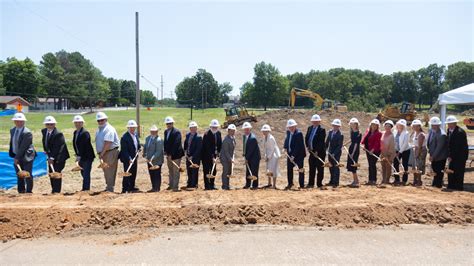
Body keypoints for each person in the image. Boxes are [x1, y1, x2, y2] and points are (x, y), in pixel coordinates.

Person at [41, 116, 70, 194]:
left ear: (54, 124)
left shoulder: (58, 134)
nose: (50, 126)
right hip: (51, 156)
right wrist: (46, 151)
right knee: (51, 173)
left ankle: (56, 191)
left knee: (56, 173)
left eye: (51, 124)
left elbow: (57, 148)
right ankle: (53, 189)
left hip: (59, 157)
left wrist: (52, 158)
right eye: (48, 124)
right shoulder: (44, 131)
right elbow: (45, 142)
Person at [9, 113, 36, 193]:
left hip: (27, 156)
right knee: (19, 174)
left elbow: (23, 147)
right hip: (17, 155)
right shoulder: (12, 130)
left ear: (24, 122)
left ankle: (29, 191)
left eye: (21, 121)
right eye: (17, 121)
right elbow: (13, 142)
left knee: (27, 174)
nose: (19, 123)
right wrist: (14, 154)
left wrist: (17, 157)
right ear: (14, 121)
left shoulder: (27, 133)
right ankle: (21, 191)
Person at [95, 112, 120, 192]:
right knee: (106, 170)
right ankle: (108, 186)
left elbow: (108, 143)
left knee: (110, 170)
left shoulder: (109, 129)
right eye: (98, 120)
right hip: (104, 152)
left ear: (106, 119)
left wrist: (102, 153)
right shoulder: (100, 129)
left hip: (110, 152)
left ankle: (110, 187)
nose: (100, 122)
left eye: (102, 120)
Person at [72, 115, 95, 191]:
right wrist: (77, 154)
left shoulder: (85, 133)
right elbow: (75, 144)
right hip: (81, 156)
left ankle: (86, 189)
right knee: (82, 172)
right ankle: (85, 188)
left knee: (86, 173)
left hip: (87, 156)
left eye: (79, 122)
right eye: (76, 122)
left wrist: (79, 155)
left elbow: (84, 146)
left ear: (82, 123)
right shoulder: (75, 132)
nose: (77, 124)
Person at [446, 115, 468, 191]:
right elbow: (449, 144)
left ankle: (458, 188)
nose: (449, 125)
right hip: (452, 156)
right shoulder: (449, 130)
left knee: (458, 172)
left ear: (455, 123)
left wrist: (451, 156)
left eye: (451, 123)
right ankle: (451, 186)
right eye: (448, 124)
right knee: (451, 171)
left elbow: (458, 147)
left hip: (460, 157)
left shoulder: (460, 132)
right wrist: (449, 155)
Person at [283, 119, 306, 190]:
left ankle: (301, 185)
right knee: (289, 169)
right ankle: (290, 183)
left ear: (295, 126)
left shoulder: (299, 134)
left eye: (292, 127)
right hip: (290, 154)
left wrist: (293, 156)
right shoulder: (288, 132)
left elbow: (298, 146)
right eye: (290, 127)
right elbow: (287, 140)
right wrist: (285, 147)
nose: (291, 128)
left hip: (299, 155)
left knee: (300, 169)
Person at [163, 116, 184, 192]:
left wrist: (171, 154)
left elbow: (176, 144)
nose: (169, 125)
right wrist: (166, 152)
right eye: (167, 123)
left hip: (176, 155)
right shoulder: (166, 132)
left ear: (172, 124)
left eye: (170, 123)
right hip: (169, 155)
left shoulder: (176, 132)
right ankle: (171, 185)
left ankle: (175, 187)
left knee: (175, 171)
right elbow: (166, 143)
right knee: (170, 170)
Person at [119, 120, 141, 193]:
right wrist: (129, 158)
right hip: (127, 159)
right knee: (127, 172)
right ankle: (125, 188)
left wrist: (139, 148)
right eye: (131, 127)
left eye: (134, 127)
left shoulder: (135, 135)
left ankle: (132, 186)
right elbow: (124, 150)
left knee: (134, 172)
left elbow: (137, 144)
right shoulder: (124, 137)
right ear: (128, 128)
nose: (132, 129)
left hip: (134, 158)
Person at [305, 114, 326, 188]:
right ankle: (311, 183)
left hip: (319, 153)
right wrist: (307, 146)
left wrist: (317, 151)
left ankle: (319, 184)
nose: (315, 122)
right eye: (314, 121)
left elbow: (321, 142)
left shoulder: (322, 130)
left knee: (320, 168)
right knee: (312, 167)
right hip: (312, 151)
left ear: (319, 122)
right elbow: (307, 138)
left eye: (317, 121)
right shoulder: (310, 128)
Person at [427, 117, 448, 188]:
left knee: (439, 171)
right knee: (435, 169)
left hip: (440, 156)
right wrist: (430, 154)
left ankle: (438, 185)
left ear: (439, 125)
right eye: (432, 125)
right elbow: (429, 143)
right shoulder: (431, 131)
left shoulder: (442, 135)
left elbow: (439, 148)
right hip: (433, 155)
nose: (433, 126)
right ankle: (434, 183)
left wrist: (433, 156)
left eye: (435, 125)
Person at [201, 119, 222, 190]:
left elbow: (220, 144)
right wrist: (212, 157)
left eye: (216, 127)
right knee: (207, 171)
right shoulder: (206, 134)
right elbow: (207, 148)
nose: (214, 128)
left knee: (214, 170)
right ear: (210, 127)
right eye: (213, 127)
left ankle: (212, 185)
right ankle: (207, 186)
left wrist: (218, 154)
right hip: (206, 156)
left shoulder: (218, 133)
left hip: (215, 156)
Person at [143, 125, 164, 192]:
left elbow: (158, 151)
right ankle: (153, 187)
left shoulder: (159, 140)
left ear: (157, 132)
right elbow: (145, 147)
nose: (153, 132)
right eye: (152, 131)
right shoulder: (148, 138)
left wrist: (152, 158)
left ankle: (157, 188)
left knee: (157, 174)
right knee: (151, 173)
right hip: (149, 160)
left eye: (154, 131)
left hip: (157, 161)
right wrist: (144, 154)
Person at [361, 119, 382, 185]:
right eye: (373, 124)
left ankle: (374, 180)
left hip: (375, 151)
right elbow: (365, 138)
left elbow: (377, 143)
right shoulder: (368, 131)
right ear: (371, 125)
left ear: (378, 126)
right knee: (370, 164)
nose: (374, 126)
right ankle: (370, 179)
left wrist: (372, 150)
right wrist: (364, 145)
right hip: (368, 150)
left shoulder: (379, 133)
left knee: (373, 164)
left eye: (376, 125)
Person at [183, 121, 202, 190]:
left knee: (194, 171)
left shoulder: (199, 137)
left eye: (194, 127)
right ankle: (189, 183)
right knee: (189, 170)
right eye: (191, 127)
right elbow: (186, 144)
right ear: (190, 128)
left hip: (195, 157)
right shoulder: (188, 135)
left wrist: (192, 156)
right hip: (188, 156)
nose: (193, 129)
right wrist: (185, 152)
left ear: (196, 128)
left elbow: (198, 149)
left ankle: (194, 184)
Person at [261, 124, 281, 189]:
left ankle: (274, 185)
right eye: (263, 131)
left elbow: (273, 149)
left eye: (265, 131)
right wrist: (265, 155)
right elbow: (265, 147)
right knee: (268, 169)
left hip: (274, 155)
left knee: (274, 169)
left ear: (268, 131)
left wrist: (269, 157)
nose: (264, 132)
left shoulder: (271, 138)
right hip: (268, 154)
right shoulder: (264, 137)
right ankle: (269, 183)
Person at [242, 122, 261, 189]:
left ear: (250, 129)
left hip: (255, 157)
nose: (246, 130)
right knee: (248, 171)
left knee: (254, 171)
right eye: (245, 129)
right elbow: (245, 146)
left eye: (247, 129)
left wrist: (246, 158)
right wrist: (244, 154)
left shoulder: (253, 138)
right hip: (249, 156)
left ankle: (255, 185)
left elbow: (251, 151)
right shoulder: (244, 136)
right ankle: (248, 184)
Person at [325, 119, 343, 187]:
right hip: (330, 152)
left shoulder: (340, 135)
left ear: (339, 126)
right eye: (334, 125)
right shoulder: (330, 132)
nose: (335, 127)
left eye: (337, 126)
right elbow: (327, 142)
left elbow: (339, 146)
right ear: (333, 125)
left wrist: (334, 154)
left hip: (337, 153)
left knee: (336, 167)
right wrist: (325, 149)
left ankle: (336, 182)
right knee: (330, 166)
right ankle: (332, 180)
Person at [409, 119, 427, 187]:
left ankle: (419, 181)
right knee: (414, 166)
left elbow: (420, 146)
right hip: (415, 150)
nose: (415, 127)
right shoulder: (414, 133)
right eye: (414, 126)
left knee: (419, 166)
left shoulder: (421, 135)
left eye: (417, 126)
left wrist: (417, 154)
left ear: (419, 126)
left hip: (420, 151)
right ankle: (415, 180)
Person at [393, 119, 410, 186]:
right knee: (395, 164)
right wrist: (394, 150)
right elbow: (394, 141)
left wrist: (399, 152)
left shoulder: (406, 133)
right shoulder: (395, 131)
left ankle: (404, 180)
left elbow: (405, 144)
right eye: (399, 125)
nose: (400, 126)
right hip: (396, 150)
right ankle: (396, 179)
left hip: (405, 150)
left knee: (405, 165)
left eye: (401, 125)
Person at [220, 124, 237, 190]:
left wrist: (232, 157)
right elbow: (226, 151)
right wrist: (230, 159)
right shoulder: (226, 140)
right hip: (224, 158)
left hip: (229, 157)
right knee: (226, 171)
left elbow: (233, 149)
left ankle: (227, 185)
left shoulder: (233, 138)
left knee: (229, 171)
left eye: (234, 131)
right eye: (231, 131)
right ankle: (224, 185)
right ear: (228, 131)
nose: (233, 132)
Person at [346, 118, 361, 188]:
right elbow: (352, 140)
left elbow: (356, 144)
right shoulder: (352, 132)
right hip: (351, 148)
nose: (352, 125)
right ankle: (355, 180)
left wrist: (353, 153)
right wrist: (345, 143)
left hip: (355, 150)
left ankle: (357, 181)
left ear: (356, 124)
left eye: (353, 124)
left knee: (353, 165)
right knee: (351, 165)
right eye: (351, 124)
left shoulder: (358, 133)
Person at [380, 120, 395, 185]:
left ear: (391, 127)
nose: (387, 127)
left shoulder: (391, 136)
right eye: (386, 126)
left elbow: (392, 146)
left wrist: (389, 155)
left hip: (389, 153)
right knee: (383, 167)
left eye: (389, 126)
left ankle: (387, 180)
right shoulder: (382, 133)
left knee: (388, 167)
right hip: (382, 152)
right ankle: (383, 179)